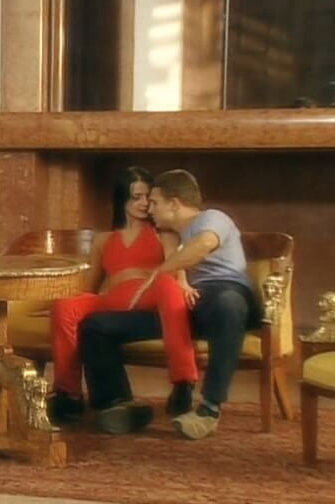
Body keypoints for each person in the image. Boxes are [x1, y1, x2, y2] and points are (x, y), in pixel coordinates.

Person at [81, 169, 260, 440]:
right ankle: (116, 404)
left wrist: (160, 271)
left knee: (227, 304)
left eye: (154, 202)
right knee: (96, 326)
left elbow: (203, 245)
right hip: (187, 307)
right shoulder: (171, 236)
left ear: (174, 204)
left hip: (225, 292)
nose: (149, 208)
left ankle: (209, 409)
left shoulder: (212, 218)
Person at [50, 167, 198, 431]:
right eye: (136, 197)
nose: (143, 203)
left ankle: (183, 383)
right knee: (66, 304)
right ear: (122, 200)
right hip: (115, 298)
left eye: (148, 197)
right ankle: (68, 394)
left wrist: (183, 283)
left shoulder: (163, 233)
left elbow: (176, 264)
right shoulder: (104, 240)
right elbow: (90, 287)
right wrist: (66, 300)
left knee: (168, 283)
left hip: (150, 295)